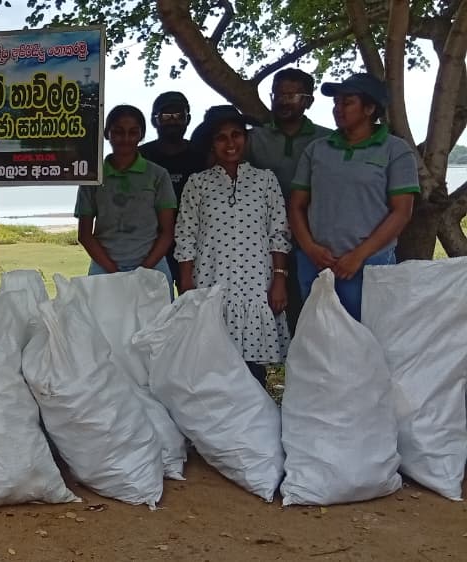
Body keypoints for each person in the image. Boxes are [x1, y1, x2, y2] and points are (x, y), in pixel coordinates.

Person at [175, 105, 292, 386]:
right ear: (212, 144)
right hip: (211, 283)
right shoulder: (198, 183)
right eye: (221, 137)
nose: (230, 143)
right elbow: (185, 235)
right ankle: (220, 422)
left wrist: (279, 280)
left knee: (262, 368)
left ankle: (266, 419)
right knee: (213, 363)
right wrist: (187, 284)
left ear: (246, 139)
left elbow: (279, 234)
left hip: (257, 286)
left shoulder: (266, 181)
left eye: (236, 135)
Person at [289, 72, 418, 321]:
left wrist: (359, 256)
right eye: (336, 103)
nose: (338, 109)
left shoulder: (395, 150)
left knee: (368, 340)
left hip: (371, 264)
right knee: (319, 340)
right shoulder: (317, 149)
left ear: (370, 108)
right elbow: (296, 205)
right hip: (317, 264)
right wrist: (310, 249)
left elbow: (402, 212)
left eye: (347, 103)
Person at [246, 69, 334, 332]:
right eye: (278, 94)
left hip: (315, 241)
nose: (283, 101)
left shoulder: (327, 139)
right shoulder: (252, 139)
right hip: (263, 242)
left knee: (315, 312)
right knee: (263, 311)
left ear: (308, 100)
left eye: (292, 95)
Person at [75, 105, 176, 285]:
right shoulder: (93, 176)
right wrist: (114, 272)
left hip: (151, 265)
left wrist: (143, 271)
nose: (126, 138)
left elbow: (167, 232)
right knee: (101, 314)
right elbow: (84, 234)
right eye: (118, 132)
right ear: (107, 134)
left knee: (159, 314)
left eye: (133, 132)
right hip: (104, 266)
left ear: (141, 135)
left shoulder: (158, 175)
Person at [141, 91, 208, 290]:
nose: (173, 121)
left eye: (179, 116)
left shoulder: (201, 156)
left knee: (194, 307)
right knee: (154, 308)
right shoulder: (142, 156)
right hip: (152, 245)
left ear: (188, 119)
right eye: (166, 116)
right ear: (154, 120)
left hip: (196, 243)